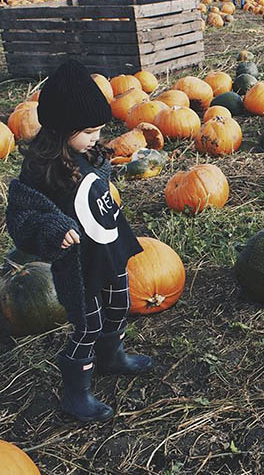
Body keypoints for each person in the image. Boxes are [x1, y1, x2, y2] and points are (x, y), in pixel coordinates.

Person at [5, 60, 152, 423]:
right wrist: (54, 231)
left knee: (120, 303)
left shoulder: (90, 154)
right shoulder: (39, 172)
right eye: (88, 130)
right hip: (78, 264)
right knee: (88, 325)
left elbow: (95, 188)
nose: (95, 137)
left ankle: (113, 357)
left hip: (108, 247)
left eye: (99, 129)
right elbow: (22, 221)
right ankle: (77, 392)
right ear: (60, 128)